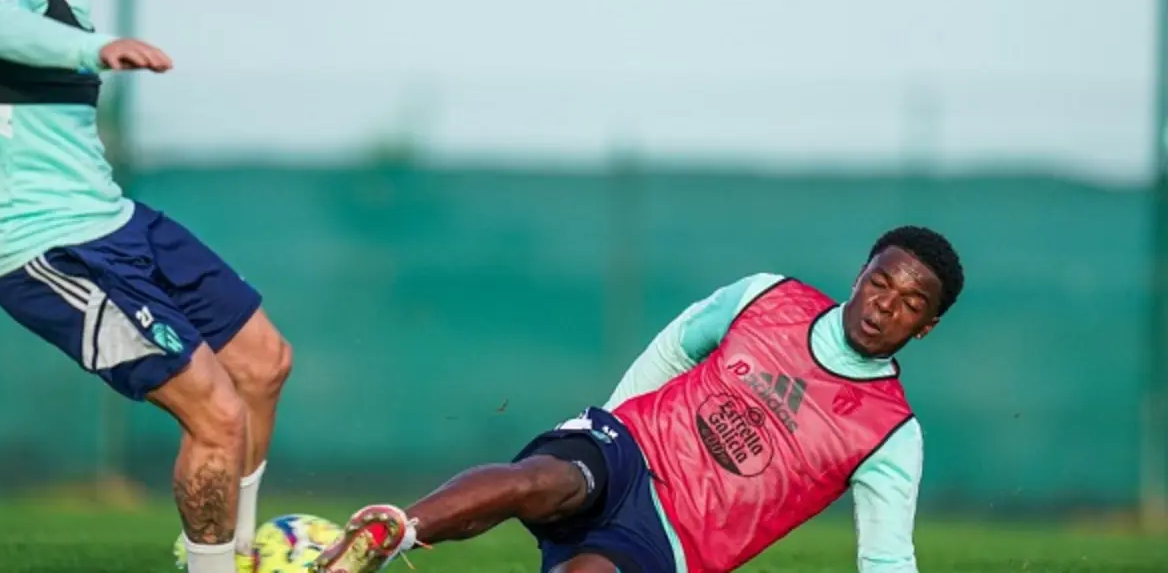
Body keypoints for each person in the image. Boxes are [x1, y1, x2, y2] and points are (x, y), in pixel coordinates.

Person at [0, 0, 292, 571]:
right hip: (48, 249)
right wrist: (96, 48)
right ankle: (214, 566)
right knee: (216, 415)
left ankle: (248, 553)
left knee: (263, 362)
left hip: (115, 222)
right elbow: (3, 28)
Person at [311, 225, 964, 573]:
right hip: (630, 449)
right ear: (861, 275)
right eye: (881, 285)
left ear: (927, 327)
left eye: (911, 305)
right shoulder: (770, 298)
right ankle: (392, 532)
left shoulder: (890, 432)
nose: (886, 308)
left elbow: (885, 557)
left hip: (676, 538)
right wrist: (618, 421)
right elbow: (683, 340)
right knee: (538, 481)